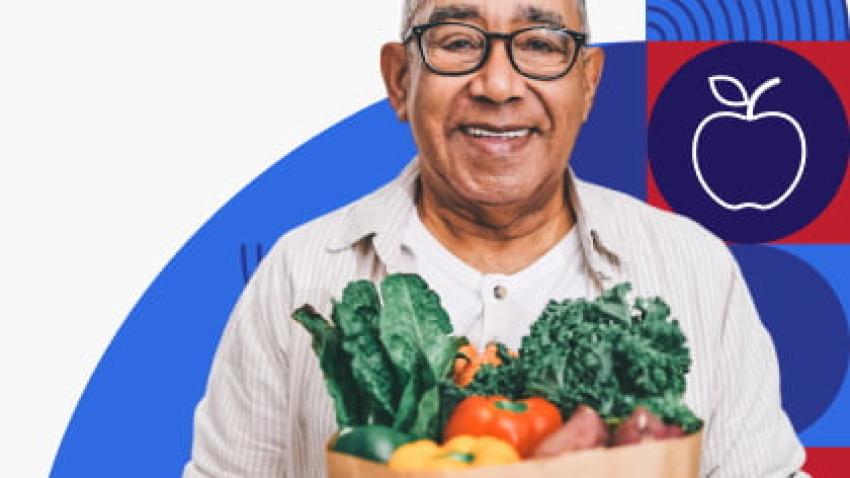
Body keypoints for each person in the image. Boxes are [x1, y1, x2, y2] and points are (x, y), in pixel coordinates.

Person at [183, 1, 807, 476]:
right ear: (399, 79)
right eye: (458, 42)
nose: (499, 85)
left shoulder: (694, 267)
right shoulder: (302, 274)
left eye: (540, 44)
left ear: (589, 83)